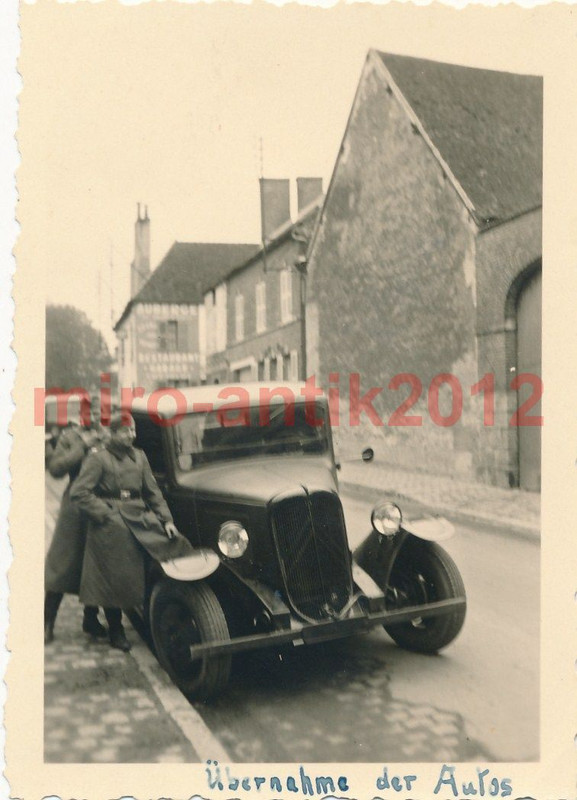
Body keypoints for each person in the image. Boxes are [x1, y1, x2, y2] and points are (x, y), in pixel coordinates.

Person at [71, 412, 194, 651]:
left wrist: (167, 520)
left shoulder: (139, 457)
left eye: (133, 430)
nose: (131, 435)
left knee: (176, 545)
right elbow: (79, 492)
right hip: (110, 521)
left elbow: (152, 493)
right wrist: (105, 513)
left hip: (139, 516)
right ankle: (116, 629)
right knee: (116, 573)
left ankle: (168, 611)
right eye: (126, 431)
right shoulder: (99, 458)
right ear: (113, 433)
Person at [44, 421, 109, 645]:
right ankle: (47, 622)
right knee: (62, 565)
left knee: (96, 564)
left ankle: (90, 619)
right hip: (74, 508)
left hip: (102, 504)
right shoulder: (70, 437)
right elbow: (56, 468)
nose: (94, 416)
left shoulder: (110, 433)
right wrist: (82, 445)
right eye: (89, 410)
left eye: (98, 411)